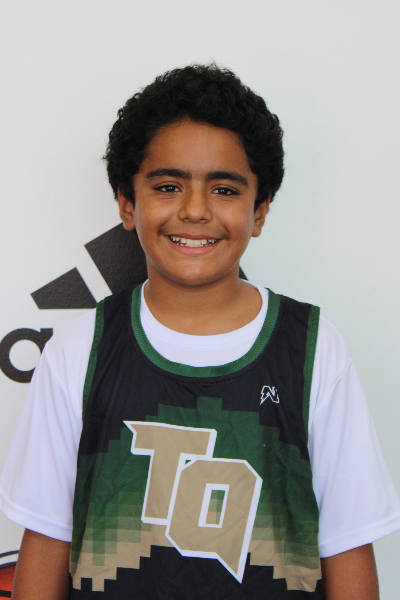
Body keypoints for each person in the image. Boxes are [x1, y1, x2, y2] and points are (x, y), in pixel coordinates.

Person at [1, 64, 399, 600]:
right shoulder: (79, 351)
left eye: (225, 189)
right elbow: (47, 543)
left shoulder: (312, 348)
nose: (194, 211)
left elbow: (348, 547)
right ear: (127, 203)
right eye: (168, 186)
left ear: (260, 211)